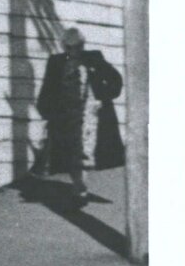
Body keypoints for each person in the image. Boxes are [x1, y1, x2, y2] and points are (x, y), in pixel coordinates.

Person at [35, 27, 125, 205]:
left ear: (82, 45)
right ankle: (79, 184)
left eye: (77, 47)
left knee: (84, 150)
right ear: (64, 46)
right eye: (69, 47)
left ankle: (80, 187)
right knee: (70, 150)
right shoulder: (56, 62)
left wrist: (103, 97)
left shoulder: (94, 58)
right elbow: (48, 87)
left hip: (89, 113)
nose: (73, 51)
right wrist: (46, 110)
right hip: (65, 113)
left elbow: (116, 79)